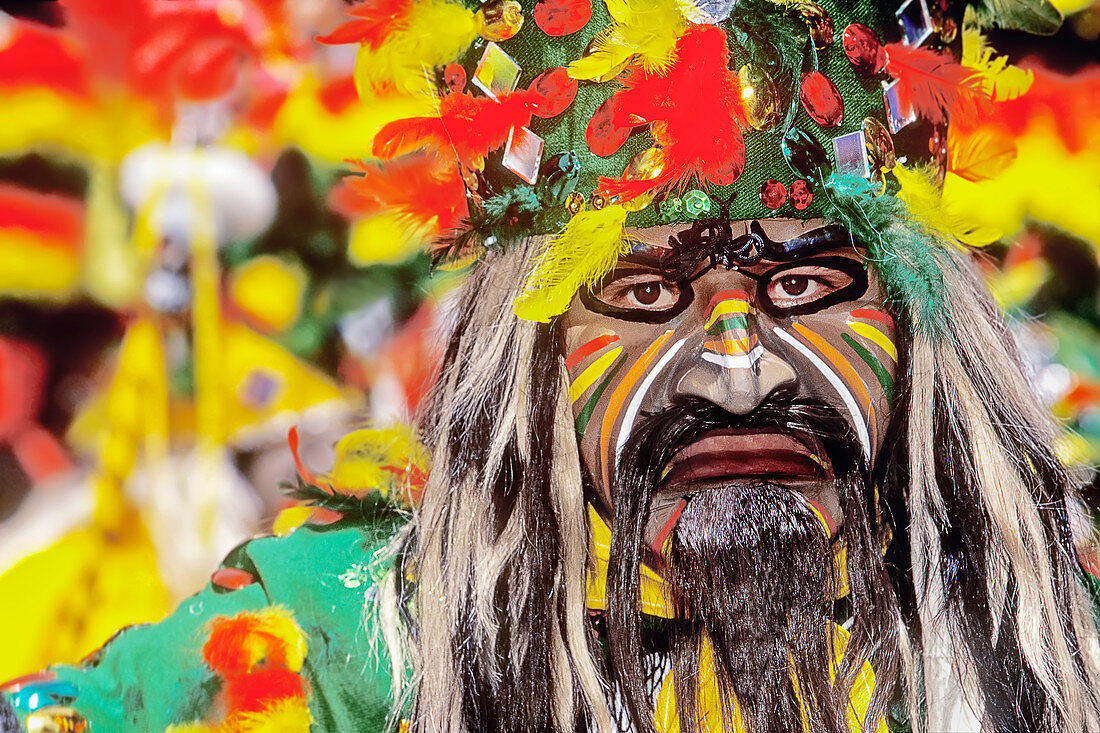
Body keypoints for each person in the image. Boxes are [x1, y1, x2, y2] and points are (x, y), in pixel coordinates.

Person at [4, 0, 1098, 731]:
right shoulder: (348, 637)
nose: (732, 363)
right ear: (525, 367)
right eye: (638, 293)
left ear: (916, 334)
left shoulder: (1057, 623)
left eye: (805, 287)